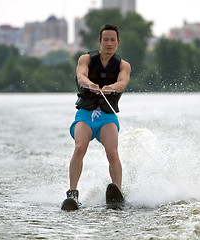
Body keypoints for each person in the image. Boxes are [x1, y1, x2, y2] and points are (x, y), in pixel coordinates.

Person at [64, 24, 131, 206]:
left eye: (112, 40)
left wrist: (111, 88)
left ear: (118, 42)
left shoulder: (123, 65)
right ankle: (72, 194)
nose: (109, 43)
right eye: (106, 40)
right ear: (100, 41)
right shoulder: (85, 59)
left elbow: (122, 83)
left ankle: (117, 190)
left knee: (113, 153)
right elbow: (81, 76)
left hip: (107, 117)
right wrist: (90, 84)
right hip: (85, 114)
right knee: (79, 147)